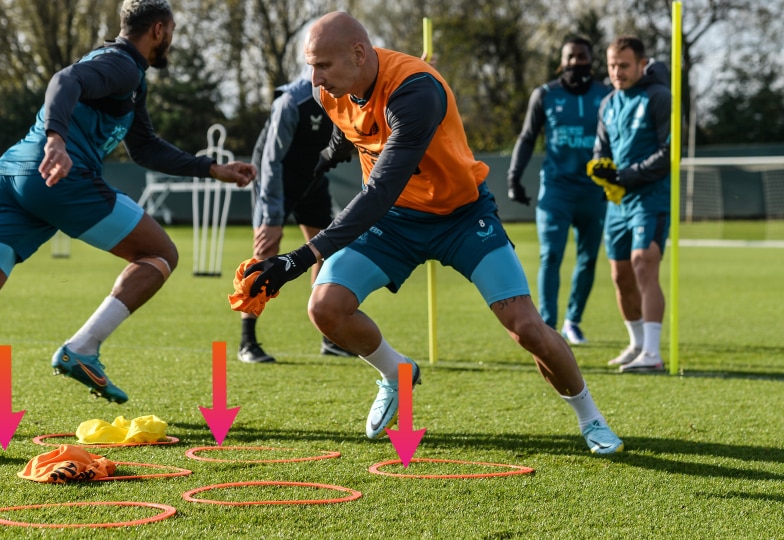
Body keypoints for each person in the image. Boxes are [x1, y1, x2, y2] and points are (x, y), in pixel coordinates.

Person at [0, 0, 256, 431]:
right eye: (173, 32)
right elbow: (64, 79)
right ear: (160, 30)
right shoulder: (122, 64)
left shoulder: (129, 80)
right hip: (59, 177)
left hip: (14, 176)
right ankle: (83, 348)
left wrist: (209, 168)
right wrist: (57, 140)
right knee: (159, 253)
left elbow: (144, 147)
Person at [243, 11, 623, 454]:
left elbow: (381, 190)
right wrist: (331, 152)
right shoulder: (327, 89)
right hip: (396, 223)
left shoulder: (417, 90)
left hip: (459, 216)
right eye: (310, 64)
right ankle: (396, 373)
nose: (314, 77)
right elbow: (352, 128)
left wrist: (299, 258)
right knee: (326, 308)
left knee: (527, 328)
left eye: (322, 65)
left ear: (359, 53)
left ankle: (590, 417)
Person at [237, 68, 355, 363]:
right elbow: (271, 161)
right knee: (265, 251)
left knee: (328, 250)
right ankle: (247, 342)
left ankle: (330, 338)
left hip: (312, 179)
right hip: (275, 181)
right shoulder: (292, 102)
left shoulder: (348, 94)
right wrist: (272, 218)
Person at [507, 36, 612, 345]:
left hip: (594, 191)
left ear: (591, 61)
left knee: (588, 258)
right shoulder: (545, 95)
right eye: (571, 56)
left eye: (582, 56)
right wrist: (514, 176)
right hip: (556, 190)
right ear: (561, 61)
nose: (576, 62)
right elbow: (527, 137)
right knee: (550, 254)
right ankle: (548, 324)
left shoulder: (606, 95)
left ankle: (573, 321)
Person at [590, 35, 671, 373]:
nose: (616, 71)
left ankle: (653, 354)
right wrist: (600, 168)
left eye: (624, 65)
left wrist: (628, 175)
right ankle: (637, 344)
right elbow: (601, 149)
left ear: (642, 64)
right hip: (618, 203)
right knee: (620, 276)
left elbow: (669, 152)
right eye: (611, 65)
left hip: (649, 198)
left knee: (642, 263)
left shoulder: (659, 96)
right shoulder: (608, 103)